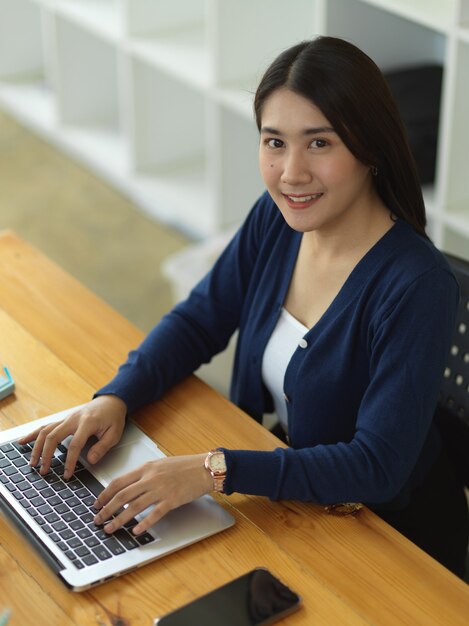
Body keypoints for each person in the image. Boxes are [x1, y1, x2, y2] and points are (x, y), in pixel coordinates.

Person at [19, 36, 468, 578]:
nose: (291, 173)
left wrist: (213, 471)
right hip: (297, 494)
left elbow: (377, 466)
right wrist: (117, 396)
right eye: (274, 142)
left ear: (369, 148)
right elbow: (201, 317)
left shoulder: (418, 284)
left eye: (320, 144)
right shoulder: (278, 219)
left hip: (388, 536)